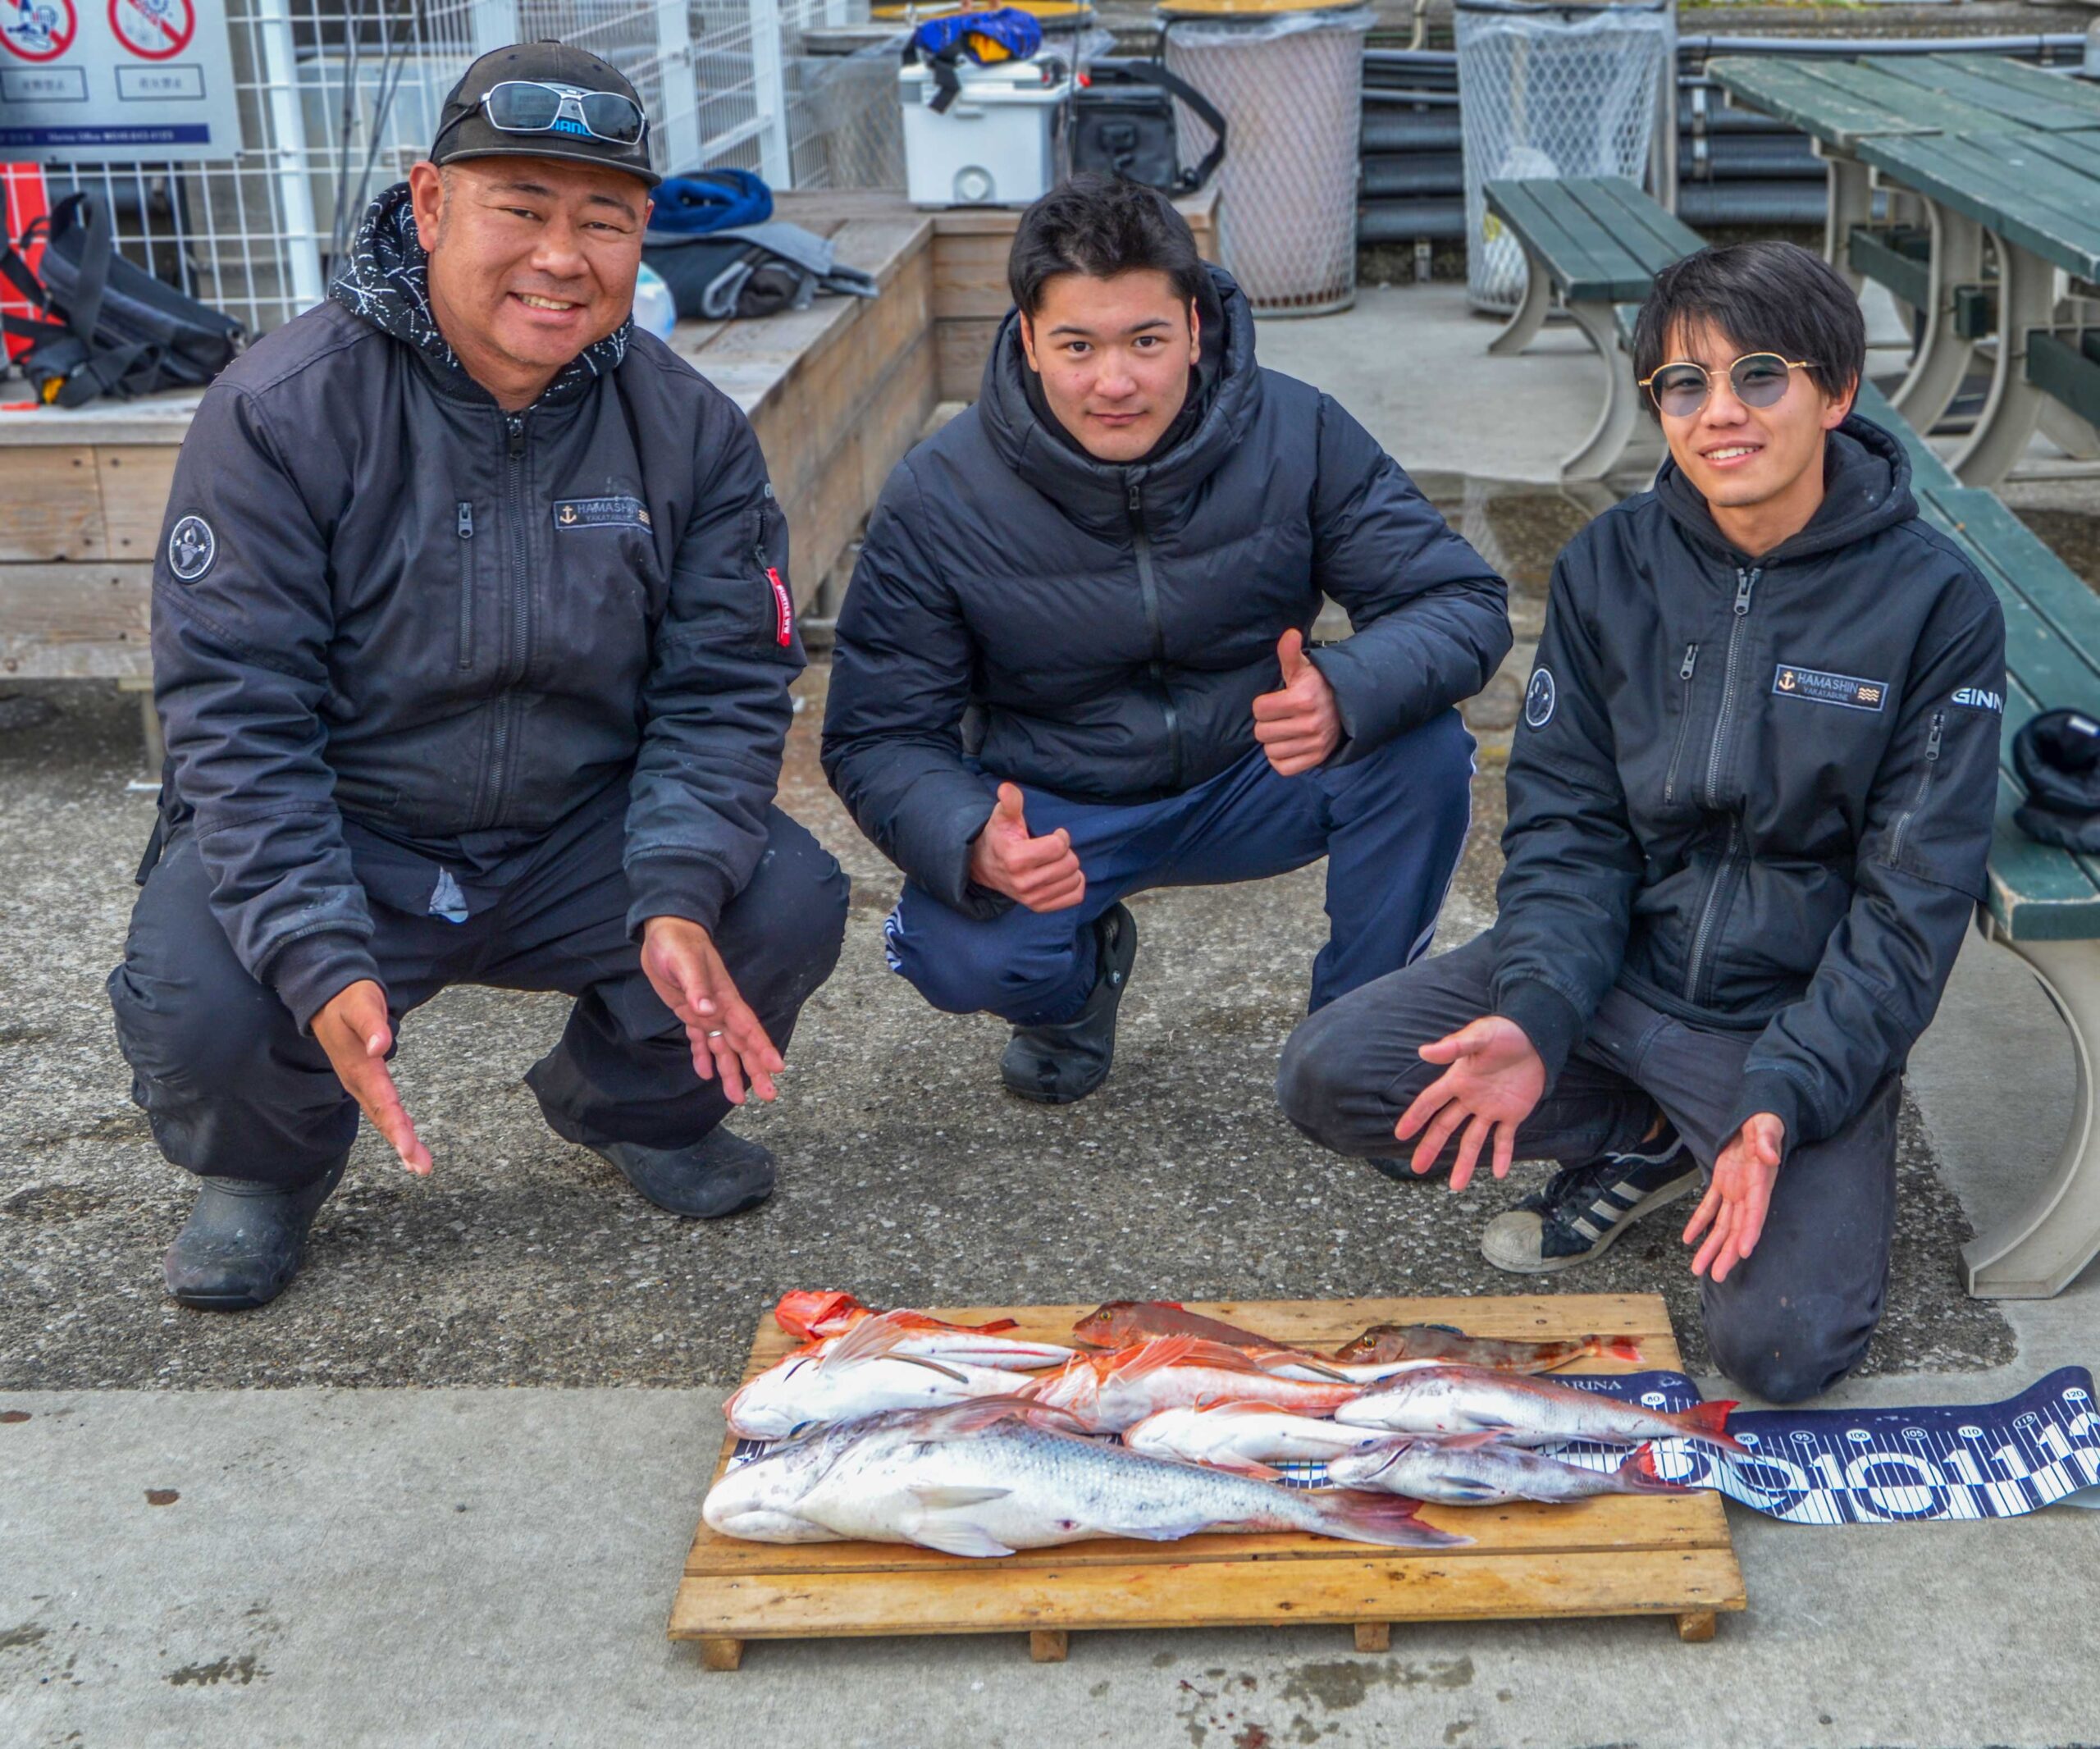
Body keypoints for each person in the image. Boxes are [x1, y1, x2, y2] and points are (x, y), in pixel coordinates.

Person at [108, 41, 848, 1312]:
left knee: (777, 898)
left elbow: (723, 689)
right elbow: (237, 717)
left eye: (604, 220)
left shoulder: (693, 434)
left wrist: (674, 887)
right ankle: (268, 1166)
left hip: (579, 833)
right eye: (521, 207)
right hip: (358, 827)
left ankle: (625, 1105)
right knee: (211, 994)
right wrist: (311, 941)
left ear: (641, 238)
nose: (563, 258)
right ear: (432, 201)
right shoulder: (280, 410)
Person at [1279, 241, 2006, 1401]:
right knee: (1335, 1074)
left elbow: (1913, 904)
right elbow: (1568, 825)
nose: (1721, 413)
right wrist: (1537, 1011)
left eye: (1758, 376)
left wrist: (1785, 1095)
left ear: (1838, 392)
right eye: (1684, 384)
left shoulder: (1936, 602)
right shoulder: (1609, 563)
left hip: (1781, 1025)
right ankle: (1652, 1130)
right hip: (1616, 976)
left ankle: (1741, 1126)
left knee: (1781, 1353)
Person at [820, 175, 1509, 1107]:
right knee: (960, 956)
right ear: (1027, 340)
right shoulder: (938, 493)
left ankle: (1358, 1033)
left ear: (1192, 327)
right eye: (1077, 345)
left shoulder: (1298, 429)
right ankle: (1073, 989)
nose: (1115, 381)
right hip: (1063, 803)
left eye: (1145, 340)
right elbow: (877, 733)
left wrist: (1345, 688)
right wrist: (972, 836)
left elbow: (1459, 598)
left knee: (1421, 747)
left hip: (1253, 771)